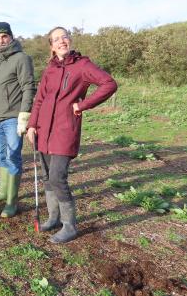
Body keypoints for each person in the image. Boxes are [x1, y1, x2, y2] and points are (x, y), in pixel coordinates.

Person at [26, 26, 117, 243]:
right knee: (48, 177)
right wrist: (32, 125)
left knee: (58, 177)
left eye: (64, 37)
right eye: (56, 39)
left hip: (65, 130)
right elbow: (39, 99)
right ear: (51, 46)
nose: (61, 41)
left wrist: (82, 105)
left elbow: (109, 84)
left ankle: (70, 226)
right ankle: (53, 218)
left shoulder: (82, 65)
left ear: (70, 40)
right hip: (43, 130)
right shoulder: (50, 68)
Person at [0, 22, 36, 218]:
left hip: (13, 118)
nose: (1, 40)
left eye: (4, 36)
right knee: (1, 155)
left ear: (11, 37)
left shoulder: (21, 58)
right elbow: (0, 84)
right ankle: (3, 192)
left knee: (13, 158)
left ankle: (12, 201)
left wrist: (24, 115)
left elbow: (28, 86)